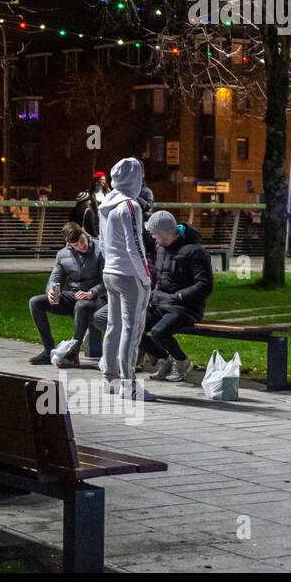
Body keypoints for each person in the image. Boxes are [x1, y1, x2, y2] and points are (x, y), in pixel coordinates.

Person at [97, 157, 154, 400]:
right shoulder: (130, 206)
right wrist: (145, 276)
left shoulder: (106, 204)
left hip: (110, 272)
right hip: (129, 274)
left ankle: (109, 379)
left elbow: (102, 242)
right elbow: (135, 245)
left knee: (113, 326)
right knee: (132, 330)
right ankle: (128, 385)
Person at [142, 210, 214, 383]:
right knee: (133, 329)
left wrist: (178, 297)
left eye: (154, 233)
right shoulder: (161, 248)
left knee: (159, 332)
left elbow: (205, 285)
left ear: (163, 233)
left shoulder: (195, 252)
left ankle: (182, 361)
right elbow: (160, 277)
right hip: (160, 303)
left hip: (185, 307)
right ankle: (165, 359)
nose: (152, 237)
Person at [27, 222, 106, 367]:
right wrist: (51, 290)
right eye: (76, 244)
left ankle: (72, 354)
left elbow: (107, 280)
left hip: (97, 298)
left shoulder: (100, 250)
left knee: (81, 306)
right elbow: (55, 278)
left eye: (82, 240)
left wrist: (92, 292)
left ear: (83, 233)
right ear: (69, 244)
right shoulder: (63, 255)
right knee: (35, 302)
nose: (81, 245)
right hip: (74, 295)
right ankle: (48, 350)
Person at [70, 171, 108, 238]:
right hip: (93, 221)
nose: (104, 181)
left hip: (105, 219)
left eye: (104, 179)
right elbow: (81, 210)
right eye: (102, 179)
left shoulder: (107, 192)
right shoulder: (88, 194)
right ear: (96, 181)